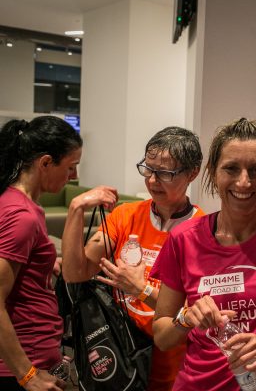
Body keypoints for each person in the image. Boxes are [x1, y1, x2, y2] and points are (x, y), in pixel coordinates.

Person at [151, 118, 256, 390]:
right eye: (231, 169)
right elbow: (162, 335)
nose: (244, 182)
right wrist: (187, 318)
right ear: (212, 172)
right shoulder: (183, 239)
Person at [61, 126, 204, 391]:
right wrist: (76, 208)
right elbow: (75, 272)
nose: (152, 180)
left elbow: (196, 310)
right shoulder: (125, 215)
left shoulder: (203, 230)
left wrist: (141, 289)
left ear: (192, 173)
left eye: (165, 173)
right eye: (148, 169)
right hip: (125, 355)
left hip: (177, 364)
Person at [0, 116, 84, 391]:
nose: (74, 177)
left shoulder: (21, 203)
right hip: (23, 364)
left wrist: (47, 264)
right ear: (46, 162)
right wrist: (27, 375)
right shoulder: (21, 215)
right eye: (71, 167)